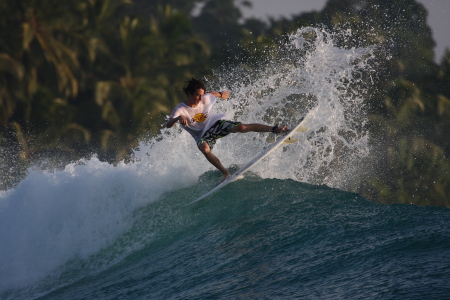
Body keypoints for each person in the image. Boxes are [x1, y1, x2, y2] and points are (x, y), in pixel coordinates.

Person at [165, 78, 287, 181]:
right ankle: (226, 173)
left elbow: (212, 94)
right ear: (189, 94)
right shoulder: (180, 109)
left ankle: (276, 130)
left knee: (241, 127)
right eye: (197, 95)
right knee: (204, 148)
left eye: (201, 95)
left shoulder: (205, 98)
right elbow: (168, 124)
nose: (200, 98)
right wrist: (177, 119)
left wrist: (221, 93)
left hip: (214, 124)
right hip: (201, 136)